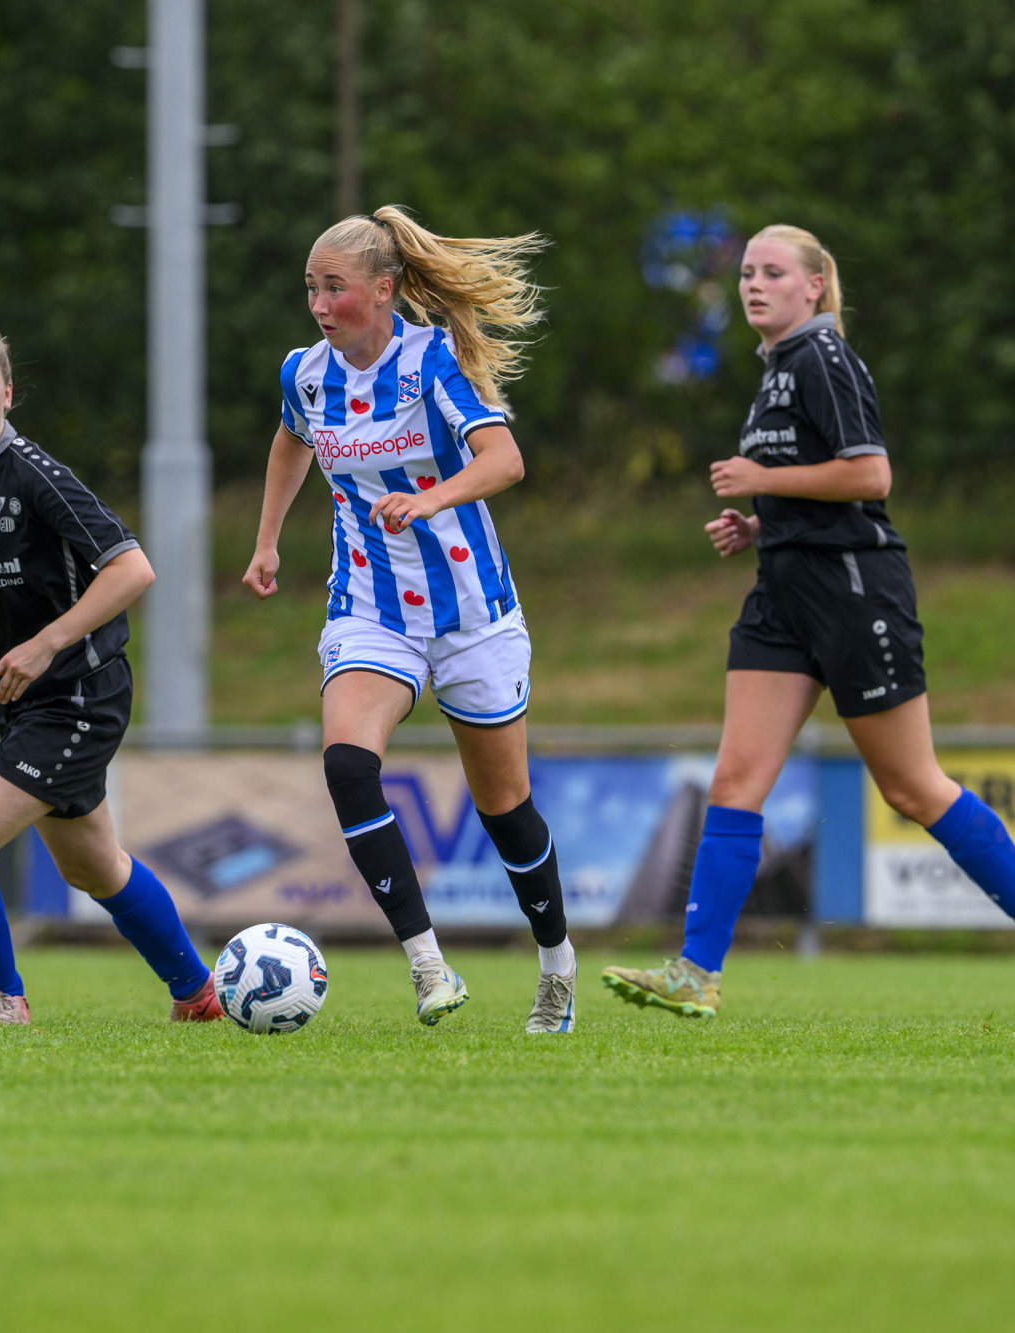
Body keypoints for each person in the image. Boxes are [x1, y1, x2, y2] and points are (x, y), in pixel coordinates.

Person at [601, 225, 1015, 1021]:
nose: (753, 285)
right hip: (782, 592)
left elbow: (871, 473)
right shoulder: (777, 371)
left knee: (911, 786)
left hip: (855, 591)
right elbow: (814, 484)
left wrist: (763, 478)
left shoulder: (823, 359)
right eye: (747, 273)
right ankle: (697, 973)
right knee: (735, 780)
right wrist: (761, 522)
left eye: (774, 273)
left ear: (815, 288)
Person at [242, 206, 578, 1033]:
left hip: (472, 611)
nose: (319, 304)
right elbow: (292, 440)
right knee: (350, 767)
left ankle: (556, 965)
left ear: (384, 289)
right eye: (311, 288)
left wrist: (426, 498)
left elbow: (506, 459)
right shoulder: (306, 372)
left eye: (336, 288)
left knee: (506, 811)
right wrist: (267, 542)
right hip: (370, 610)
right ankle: (429, 966)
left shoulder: (432, 361)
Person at [0, 324, 217, 1026]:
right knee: (93, 868)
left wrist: (45, 643)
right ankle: (198, 996)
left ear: (7, 392)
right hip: (21, 697)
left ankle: (5, 1003)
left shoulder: (38, 475)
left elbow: (133, 568)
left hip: (78, 693)